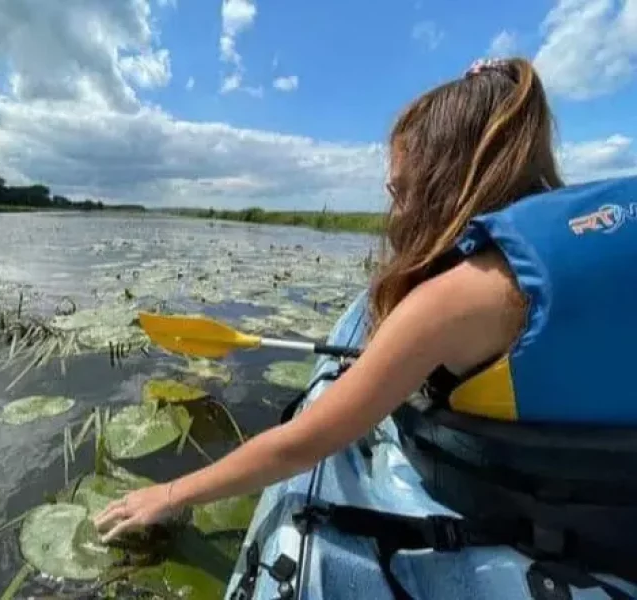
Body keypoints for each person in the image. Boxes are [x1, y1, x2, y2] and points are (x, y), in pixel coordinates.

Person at [93, 56, 637, 551]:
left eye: (399, 191)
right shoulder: (582, 235)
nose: (393, 211)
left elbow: (298, 447)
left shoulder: (455, 299)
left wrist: (169, 493)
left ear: (444, 185)